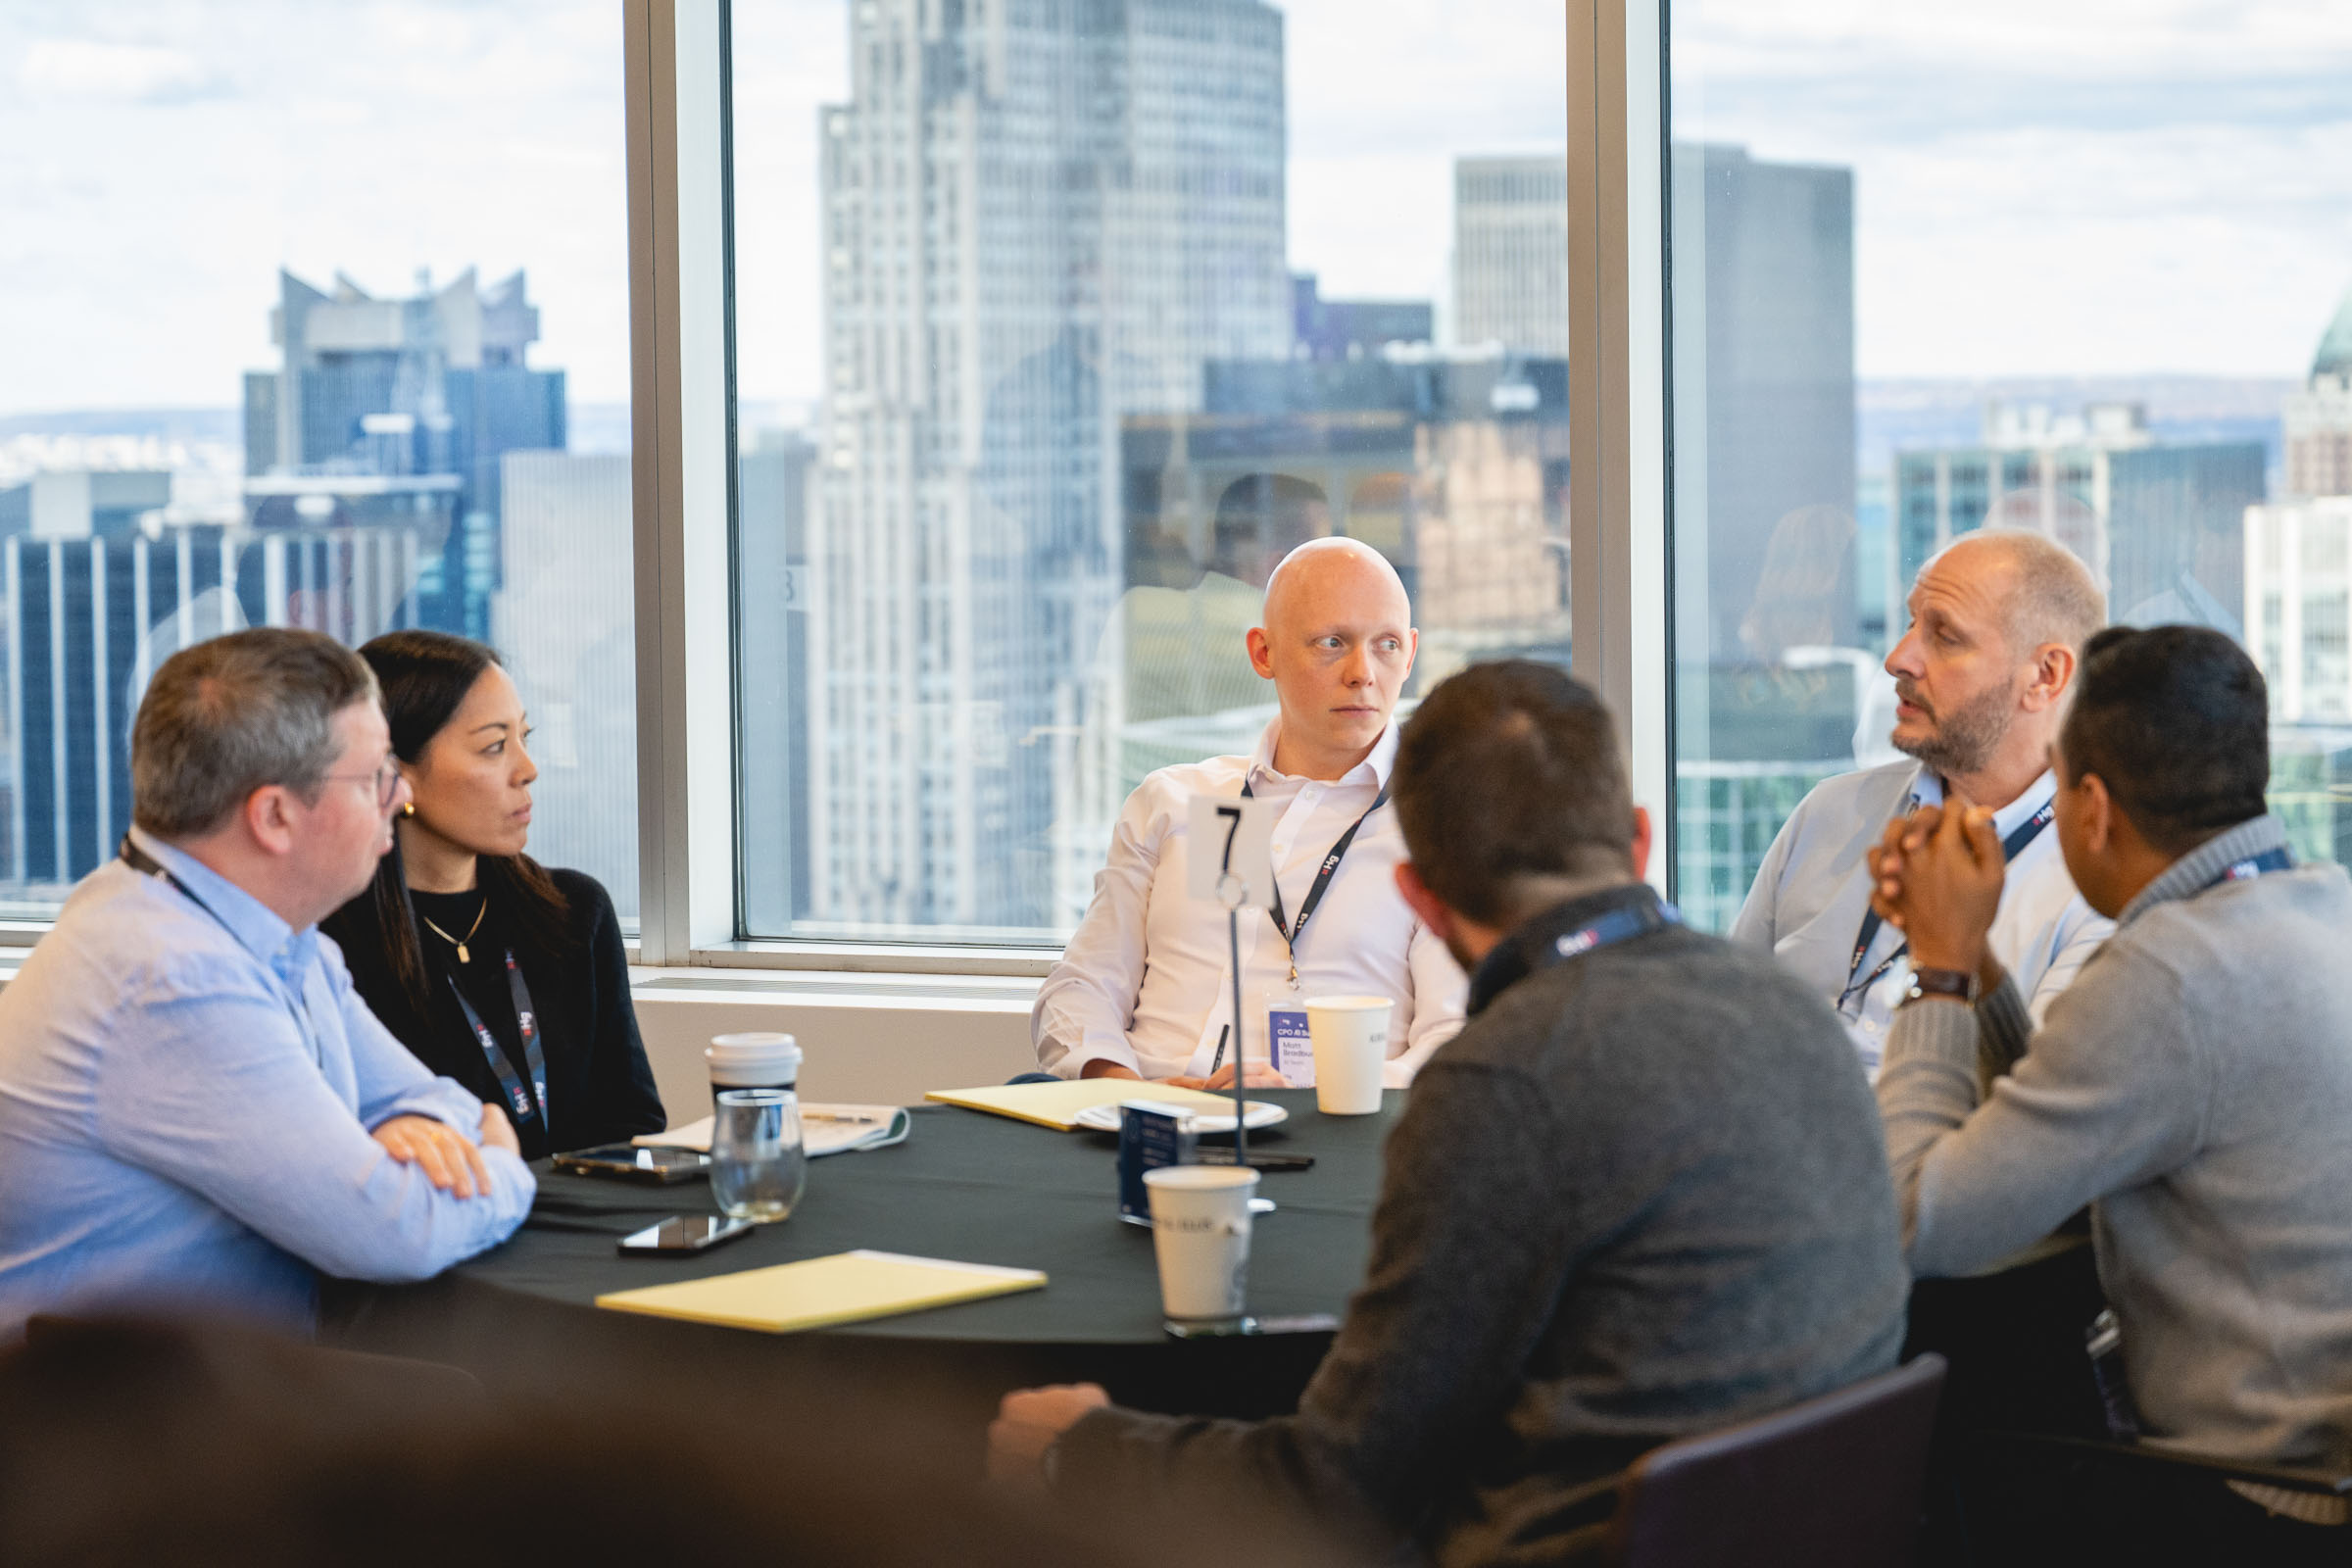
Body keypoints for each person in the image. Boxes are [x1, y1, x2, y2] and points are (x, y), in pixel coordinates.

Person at [993, 660, 1909, 1564]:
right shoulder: (1794, 1010)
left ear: (1421, 899)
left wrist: (1087, 1445)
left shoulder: (1508, 1083)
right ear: (1638, 842)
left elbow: (1336, 1488)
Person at [1868, 625, 2352, 1548]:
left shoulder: (2170, 975)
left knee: (1949, 1386)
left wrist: (1933, 972)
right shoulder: (2321, 903)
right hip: (2327, 1467)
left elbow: (1914, 1220)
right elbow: (2079, 1119)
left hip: (2248, 1502)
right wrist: (1976, 965)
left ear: (2090, 808)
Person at [0, 628, 534, 1339]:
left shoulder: (256, 928)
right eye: (375, 775)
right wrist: (503, 1160)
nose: (400, 794)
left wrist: (421, 1124)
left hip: (226, 1391)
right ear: (275, 815)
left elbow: (425, 1097)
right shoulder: (173, 978)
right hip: (128, 1429)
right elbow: (397, 1230)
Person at [1034, 537, 1464, 1088]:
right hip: (1145, 1117)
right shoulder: (1178, 802)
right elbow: (1079, 990)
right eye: (1332, 643)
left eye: (1386, 644)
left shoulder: (1441, 831)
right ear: (1264, 653)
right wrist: (1129, 1090)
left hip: (1326, 1135)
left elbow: (1450, 1041)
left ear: (1410, 653)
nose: (1362, 672)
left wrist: (1320, 1098)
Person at [1734, 528, 2111, 1077]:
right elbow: (1726, 1023)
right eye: (1912, 623)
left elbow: (2037, 1124)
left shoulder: (2099, 888)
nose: (1897, 659)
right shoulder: (1830, 813)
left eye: (1946, 637)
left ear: (2045, 676)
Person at [321, 631, 662, 1160]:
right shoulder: (329, 944)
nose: (528, 769)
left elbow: (634, 1125)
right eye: (494, 746)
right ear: (395, 771)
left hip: (591, 1230)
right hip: (450, 1227)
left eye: (525, 738)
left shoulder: (575, 912)